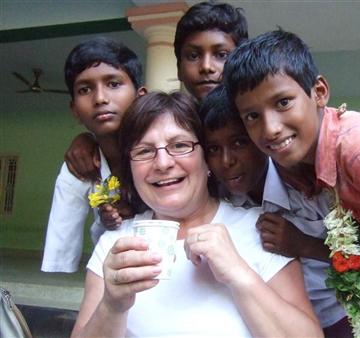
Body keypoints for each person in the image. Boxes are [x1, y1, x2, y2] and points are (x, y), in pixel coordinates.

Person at [222, 29, 360, 338]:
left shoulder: (359, 153)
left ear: (319, 91)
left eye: (283, 102)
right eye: (252, 116)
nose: (270, 128)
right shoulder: (309, 161)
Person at [70, 91, 323, 338]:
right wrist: (112, 306)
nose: (163, 163)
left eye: (179, 145)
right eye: (144, 151)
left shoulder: (262, 230)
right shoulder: (115, 247)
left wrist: (239, 275)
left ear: (206, 159)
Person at [62, 1, 248, 225]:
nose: (206, 66)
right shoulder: (177, 121)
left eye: (222, 54)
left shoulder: (257, 119)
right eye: (193, 56)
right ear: (178, 68)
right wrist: (89, 139)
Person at [200, 85, 352, 337]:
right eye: (214, 149)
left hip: (340, 318)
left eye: (239, 142)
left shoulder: (309, 184)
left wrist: (302, 244)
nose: (226, 160)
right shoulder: (218, 201)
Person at [41, 37, 146, 273]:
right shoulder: (79, 164)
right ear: (75, 110)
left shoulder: (165, 148)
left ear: (140, 96)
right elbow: (62, 239)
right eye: (85, 89)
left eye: (113, 84)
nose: (100, 98)